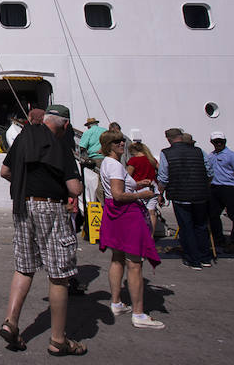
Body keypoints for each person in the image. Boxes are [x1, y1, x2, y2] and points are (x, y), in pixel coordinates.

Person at [0, 104, 86, 356]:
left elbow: (5, 171)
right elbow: (75, 189)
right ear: (65, 125)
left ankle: (11, 321)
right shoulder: (60, 145)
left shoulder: (22, 139)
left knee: (24, 266)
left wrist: (25, 182)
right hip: (50, 208)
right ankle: (58, 340)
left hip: (23, 206)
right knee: (59, 273)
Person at [98, 131, 164, 329]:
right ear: (108, 145)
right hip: (126, 214)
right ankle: (138, 313)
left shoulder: (108, 164)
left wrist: (136, 185)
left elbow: (116, 191)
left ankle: (116, 302)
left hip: (114, 214)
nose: (121, 143)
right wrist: (142, 194)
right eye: (116, 141)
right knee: (135, 264)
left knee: (117, 258)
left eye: (122, 141)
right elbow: (118, 194)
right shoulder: (115, 165)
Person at [157, 128, 213, 270]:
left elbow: (164, 176)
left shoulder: (166, 153)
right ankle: (205, 258)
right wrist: (204, 184)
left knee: (186, 227)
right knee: (201, 226)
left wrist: (160, 193)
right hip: (200, 194)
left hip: (180, 194)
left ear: (168, 139)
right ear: (181, 137)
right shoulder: (199, 151)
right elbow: (210, 171)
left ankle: (193, 259)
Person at [207, 132, 234, 254]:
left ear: (225, 141)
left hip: (229, 188)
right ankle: (219, 239)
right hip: (214, 188)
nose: (218, 143)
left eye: (221, 141)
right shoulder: (211, 156)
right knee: (212, 215)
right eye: (216, 141)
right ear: (212, 142)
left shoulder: (232, 156)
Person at [126, 142, 160, 227]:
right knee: (151, 212)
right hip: (153, 187)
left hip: (139, 188)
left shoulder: (133, 161)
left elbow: (127, 177)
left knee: (138, 212)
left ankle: (140, 234)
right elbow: (161, 170)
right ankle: (151, 236)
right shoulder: (152, 159)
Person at [79, 117, 106, 202]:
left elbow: (82, 147)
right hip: (107, 158)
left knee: (97, 181)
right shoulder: (105, 131)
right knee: (106, 180)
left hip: (95, 159)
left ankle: (101, 202)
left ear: (88, 126)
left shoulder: (88, 132)